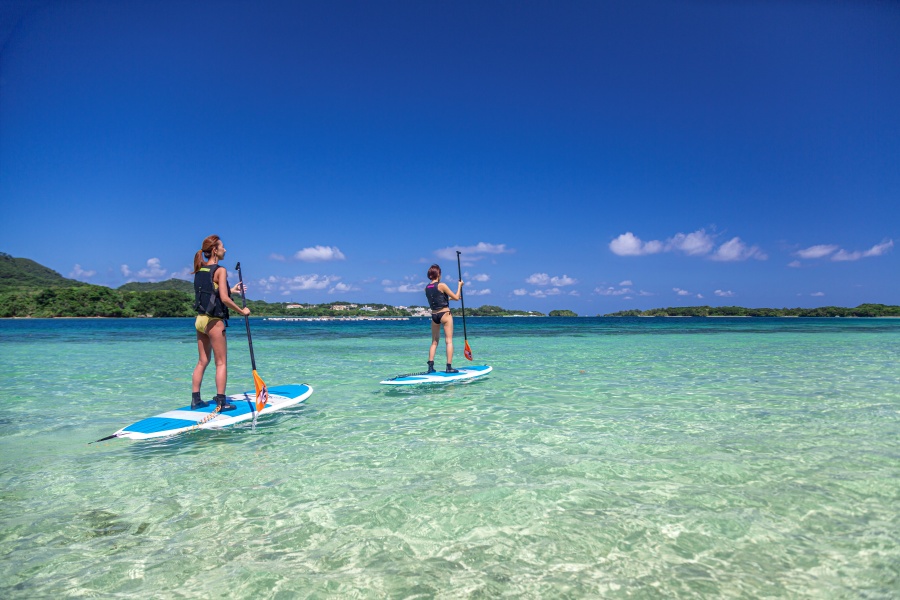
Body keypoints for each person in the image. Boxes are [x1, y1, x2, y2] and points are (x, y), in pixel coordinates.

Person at [190, 235, 250, 411]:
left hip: (200, 320)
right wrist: (242, 311)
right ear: (215, 250)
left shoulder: (200, 269)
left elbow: (212, 292)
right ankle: (222, 402)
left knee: (202, 361)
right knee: (221, 362)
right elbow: (223, 299)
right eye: (223, 247)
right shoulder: (220, 270)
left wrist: (232, 290)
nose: (225, 250)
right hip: (214, 322)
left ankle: (196, 400)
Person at [425, 264, 463, 373]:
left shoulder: (427, 288)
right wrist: (460, 285)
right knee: (449, 341)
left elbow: (438, 300)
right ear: (438, 274)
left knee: (434, 342)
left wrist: (448, 298)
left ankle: (430, 367)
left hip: (434, 315)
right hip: (445, 314)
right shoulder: (442, 285)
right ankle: (449, 367)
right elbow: (456, 297)